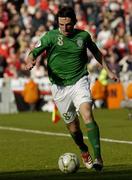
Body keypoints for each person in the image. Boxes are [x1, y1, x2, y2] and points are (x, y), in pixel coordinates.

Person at [24, 6, 119, 171]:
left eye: (68, 24)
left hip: (79, 80)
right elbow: (33, 52)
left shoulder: (83, 36)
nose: (64, 28)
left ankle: (98, 157)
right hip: (59, 87)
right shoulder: (50, 37)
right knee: (73, 128)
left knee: (87, 114)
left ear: (74, 22)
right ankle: (84, 150)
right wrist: (29, 61)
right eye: (61, 24)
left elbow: (97, 53)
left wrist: (109, 71)